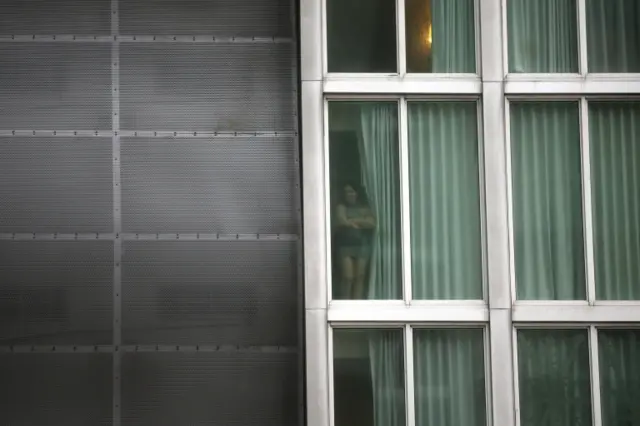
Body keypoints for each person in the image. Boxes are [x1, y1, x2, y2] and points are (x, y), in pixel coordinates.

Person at [334, 183, 376, 299]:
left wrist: (353, 220)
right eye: (347, 192)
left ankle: (357, 303)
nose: (350, 194)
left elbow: (372, 223)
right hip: (345, 245)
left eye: (352, 191)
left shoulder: (364, 206)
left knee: (360, 276)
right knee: (348, 277)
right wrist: (362, 221)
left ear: (357, 193)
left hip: (362, 244)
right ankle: (345, 302)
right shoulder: (341, 206)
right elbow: (342, 220)